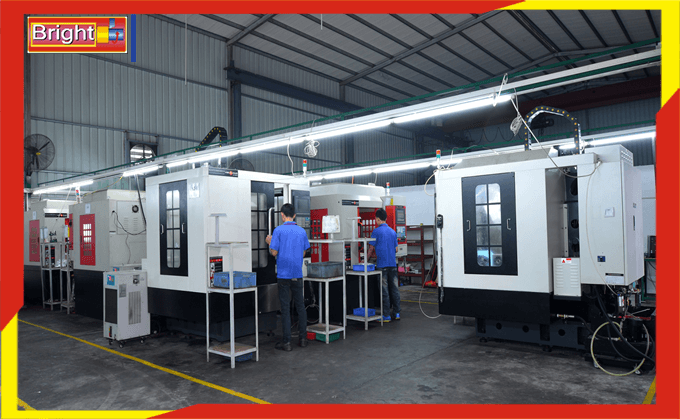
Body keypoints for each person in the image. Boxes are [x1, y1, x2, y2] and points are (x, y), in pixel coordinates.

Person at [266, 203, 311, 351]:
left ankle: (286, 342)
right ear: (295, 215)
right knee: (300, 307)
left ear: (282, 215)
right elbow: (304, 252)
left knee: (285, 308)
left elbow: (273, 252)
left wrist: (269, 242)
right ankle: (303, 339)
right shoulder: (301, 231)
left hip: (283, 275)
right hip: (297, 274)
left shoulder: (278, 230)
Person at [366, 208, 400, 322]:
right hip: (393, 264)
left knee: (384, 291)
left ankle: (386, 315)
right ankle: (397, 313)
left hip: (382, 265)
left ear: (377, 219)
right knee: (394, 289)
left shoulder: (376, 231)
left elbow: (371, 248)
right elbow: (396, 249)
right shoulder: (393, 231)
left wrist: (365, 260)